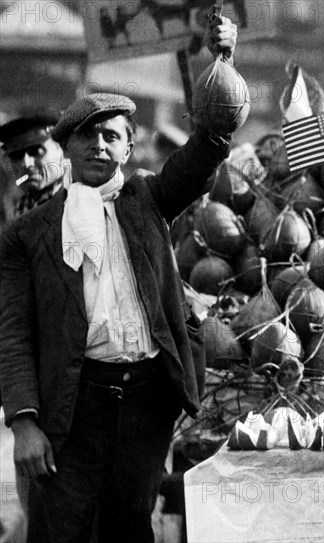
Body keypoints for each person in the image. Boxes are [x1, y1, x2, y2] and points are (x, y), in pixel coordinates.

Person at [0, 16, 238, 543]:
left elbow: (203, 151)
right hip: (71, 406)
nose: (98, 145)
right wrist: (24, 422)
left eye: (112, 136)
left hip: (146, 403)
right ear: (67, 148)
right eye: (86, 135)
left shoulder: (149, 200)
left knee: (130, 529)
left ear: (128, 149)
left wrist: (220, 62)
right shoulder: (28, 234)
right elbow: (13, 334)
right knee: (60, 531)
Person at [0, 112, 66, 220]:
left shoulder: (80, 200)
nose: (26, 164)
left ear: (63, 149)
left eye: (36, 151)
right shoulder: (21, 207)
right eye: (16, 155)